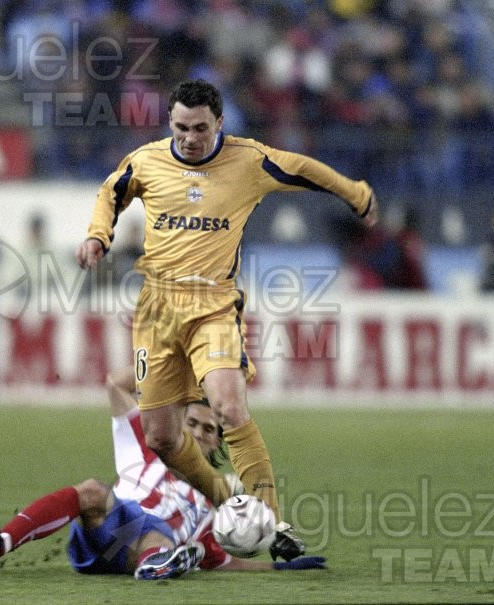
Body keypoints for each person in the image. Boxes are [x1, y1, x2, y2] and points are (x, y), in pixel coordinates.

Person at [75, 79, 378, 562]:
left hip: (213, 307)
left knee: (228, 405)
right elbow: (111, 192)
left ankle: (275, 524)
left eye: (199, 128)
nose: (189, 137)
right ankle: (226, 502)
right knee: (160, 437)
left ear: (219, 123)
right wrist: (97, 237)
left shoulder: (248, 160)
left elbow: (302, 169)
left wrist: (355, 192)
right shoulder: (148, 161)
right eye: (180, 127)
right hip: (155, 312)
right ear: (169, 123)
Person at [0, 367, 327, 579]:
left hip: (144, 547)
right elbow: (116, 385)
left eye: (210, 430)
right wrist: (170, 366)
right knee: (92, 490)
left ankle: (157, 563)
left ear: (219, 444)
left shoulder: (216, 507)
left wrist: (278, 568)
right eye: (193, 424)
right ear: (178, 425)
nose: (200, 433)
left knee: (172, 539)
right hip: (107, 527)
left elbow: (223, 560)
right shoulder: (142, 442)